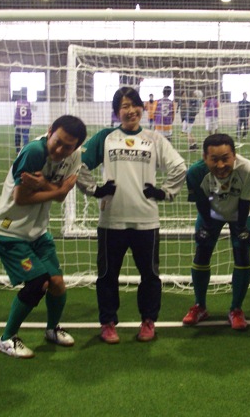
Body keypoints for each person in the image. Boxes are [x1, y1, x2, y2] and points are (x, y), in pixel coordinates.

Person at [77, 87, 186, 344]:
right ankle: (107, 323)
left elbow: (179, 167)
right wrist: (95, 189)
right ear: (117, 112)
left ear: (141, 108)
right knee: (107, 275)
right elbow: (77, 165)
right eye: (124, 106)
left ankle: (148, 321)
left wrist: (164, 192)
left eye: (134, 105)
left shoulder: (154, 139)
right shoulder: (106, 137)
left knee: (149, 275)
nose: (131, 111)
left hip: (146, 220)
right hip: (111, 220)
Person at [0, 115, 87, 358]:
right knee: (37, 283)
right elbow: (21, 198)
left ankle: (52, 329)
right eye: (57, 142)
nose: (60, 150)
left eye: (68, 146)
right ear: (50, 131)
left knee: (57, 284)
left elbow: (62, 195)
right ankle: (6, 339)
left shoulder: (75, 155)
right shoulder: (34, 152)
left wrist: (44, 186)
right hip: (8, 229)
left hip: (37, 231)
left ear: (76, 146)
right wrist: (57, 189)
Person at [182, 134, 250, 330]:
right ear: (204, 157)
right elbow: (201, 202)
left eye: (225, 158)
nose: (221, 165)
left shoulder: (248, 169)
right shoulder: (195, 173)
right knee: (202, 251)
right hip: (212, 211)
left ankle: (236, 309)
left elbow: (244, 202)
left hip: (241, 212)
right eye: (214, 159)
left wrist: (241, 227)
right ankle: (200, 306)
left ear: (234, 155)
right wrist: (206, 226)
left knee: (242, 253)